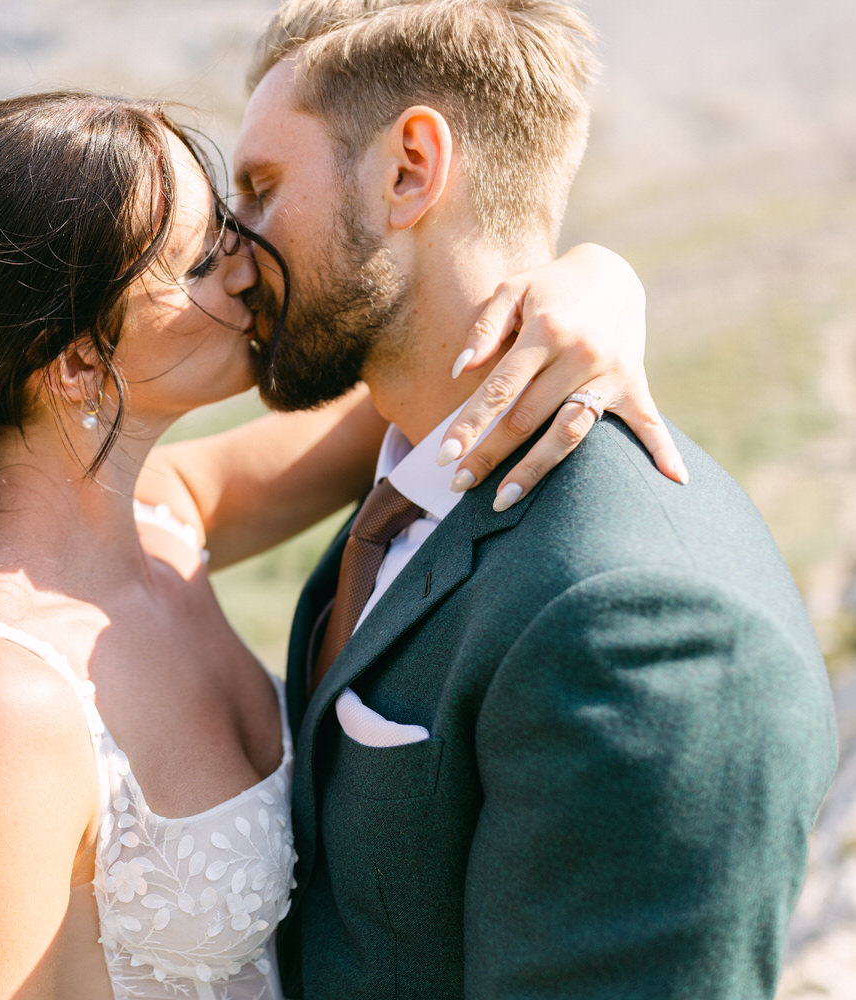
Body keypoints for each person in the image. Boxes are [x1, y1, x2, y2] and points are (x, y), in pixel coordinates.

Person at [0, 90, 679, 1000]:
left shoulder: (166, 515)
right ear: (79, 362)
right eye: (202, 258)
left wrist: (598, 283)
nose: (249, 267)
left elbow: (446, 389)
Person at [228, 1, 841, 997]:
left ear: (409, 169)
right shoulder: (409, 476)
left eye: (261, 188)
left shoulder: (645, 620)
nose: (234, 250)